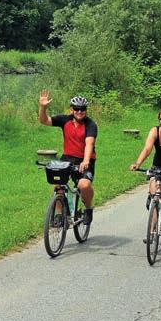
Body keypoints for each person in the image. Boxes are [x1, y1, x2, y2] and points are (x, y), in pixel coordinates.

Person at [38, 90, 97, 225]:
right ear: (72, 110)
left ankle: (88, 208)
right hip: (67, 158)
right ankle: (60, 214)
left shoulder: (90, 125)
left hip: (85, 159)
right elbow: (43, 120)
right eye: (76, 109)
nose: (79, 111)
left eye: (82, 109)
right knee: (56, 183)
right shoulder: (65, 120)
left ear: (85, 110)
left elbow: (89, 143)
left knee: (84, 185)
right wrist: (43, 107)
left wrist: (86, 161)